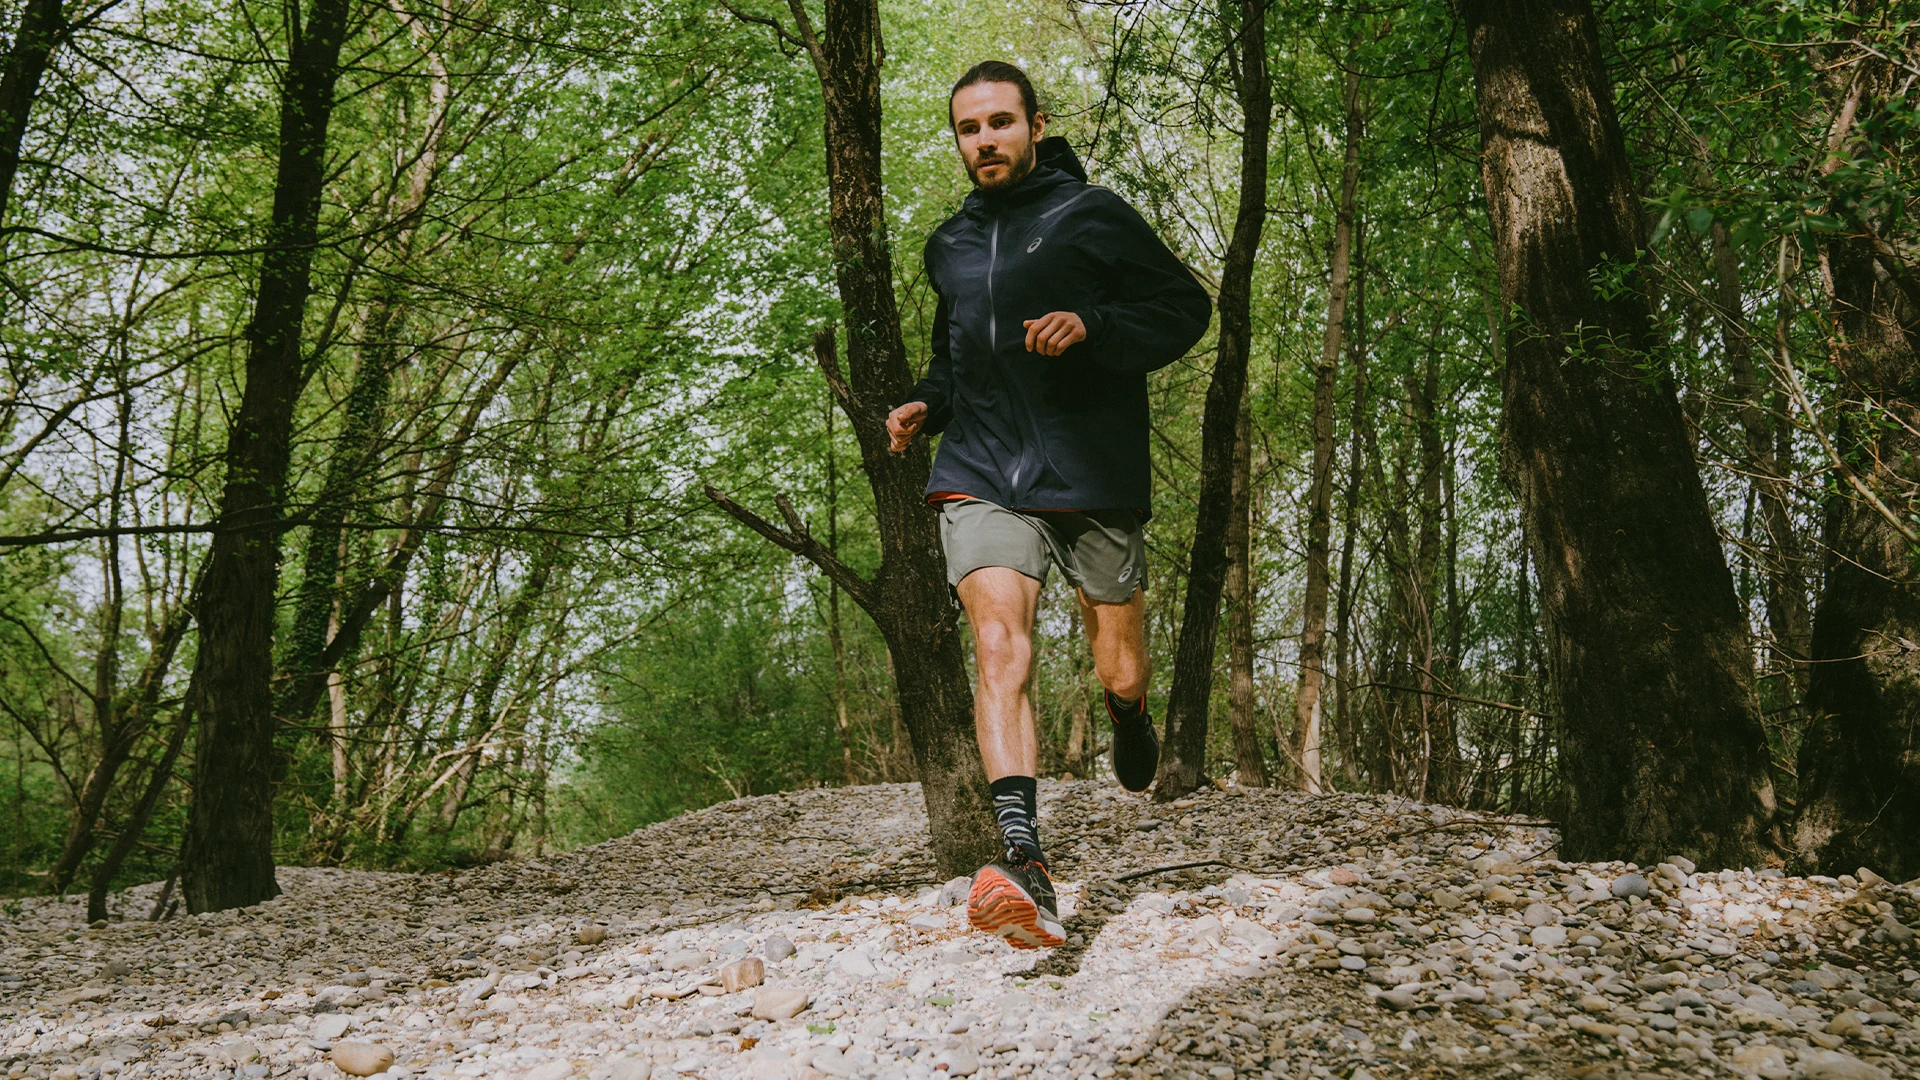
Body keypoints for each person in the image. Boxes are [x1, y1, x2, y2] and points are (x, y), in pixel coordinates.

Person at [887, 61, 1212, 950]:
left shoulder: (1091, 215)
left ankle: (1129, 714)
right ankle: (1025, 862)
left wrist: (1095, 327)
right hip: (982, 466)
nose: (984, 140)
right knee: (999, 642)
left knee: (1119, 666)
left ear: (1036, 124)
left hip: (1089, 469)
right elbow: (954, 359)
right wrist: (928, 404)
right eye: (968, 129)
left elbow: (1186, 307)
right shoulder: (947, 245)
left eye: (999, 122)